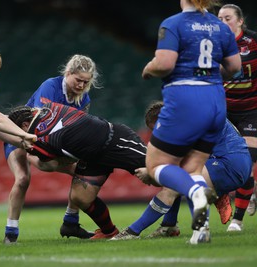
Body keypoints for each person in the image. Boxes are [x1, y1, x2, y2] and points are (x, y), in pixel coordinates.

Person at [140, 0, 241, 233]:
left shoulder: (173, 23)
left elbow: (164, 64)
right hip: (216, 101)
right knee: (193, 168)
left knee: (155, 165)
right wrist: (209, 75)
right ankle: (200, 229)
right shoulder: (220, 27)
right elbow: (235, 66)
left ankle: (196, 192)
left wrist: (148, 68)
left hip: (186, 99)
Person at [110, 101, 252, 244]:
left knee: (173, 184)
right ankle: (169, 226)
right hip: (234, 160)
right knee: (175, 179)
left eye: (157, 129)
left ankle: (132, 232)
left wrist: (150, 172)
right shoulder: (188, 117)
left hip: (229, 163)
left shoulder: (186, 123)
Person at [8, 102, 147, 240]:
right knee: (80, 197)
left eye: (16, 132)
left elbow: (49, 165)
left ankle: (168, 223)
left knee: (157, 172)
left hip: (114, 140)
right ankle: (109, 232)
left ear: (25, 126)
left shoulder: (39, 140)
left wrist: (29, 156)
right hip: (92, 157)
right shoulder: (49, 107)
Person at [3, 55, 101, 244]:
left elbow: (77, 128)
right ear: (68, 73)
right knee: (23, 178)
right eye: (78, 80)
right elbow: (38, 124)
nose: (81, 85)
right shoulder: (51, 86)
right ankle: (11, 233)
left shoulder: (84, 98)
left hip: (49, 141)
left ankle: (71, 221)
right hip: (20, 136)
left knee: (82, 171)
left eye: (86, 82)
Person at [218, 4, 257, 232]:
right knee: (234, 164)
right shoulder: (212, 44)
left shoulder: (253, 42)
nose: (223, 22)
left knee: (246, 159)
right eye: (219, 18)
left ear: (240, 21)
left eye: (228, 18)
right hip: (224, 112)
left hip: (252, 110)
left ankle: (237, 221)